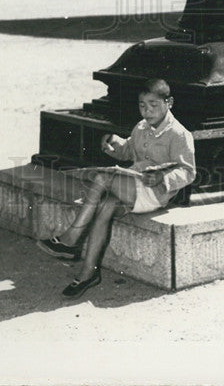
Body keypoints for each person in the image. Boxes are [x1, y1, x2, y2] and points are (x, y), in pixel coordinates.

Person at [38, 78, 196, 299]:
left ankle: (71, 238)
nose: (147, 111)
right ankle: (87, 274)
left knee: (103, 178)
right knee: (104, 206)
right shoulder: (141, 127)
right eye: (142, 105)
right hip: (134, 187)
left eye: (153, 105)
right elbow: (129, 151)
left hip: (155, 194)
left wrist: (163, 177)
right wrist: (114, 144)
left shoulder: (179, 134)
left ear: (169, 102)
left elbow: (189, 171)